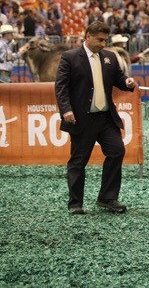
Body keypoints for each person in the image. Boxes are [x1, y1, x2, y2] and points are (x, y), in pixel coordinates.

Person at [55, 21, 138, 215]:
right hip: (81, 120)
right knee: (78, 161)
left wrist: (127, 82)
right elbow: (61, 87)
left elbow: (119, 78)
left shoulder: (109, 57)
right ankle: (75, 203)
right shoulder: (69, 57)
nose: (103, 44)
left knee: (117, 151)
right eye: (99, 40)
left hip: (106, 118)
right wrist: (66, 110)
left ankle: (107, 198)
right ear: (88, 36)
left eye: (105, 40)